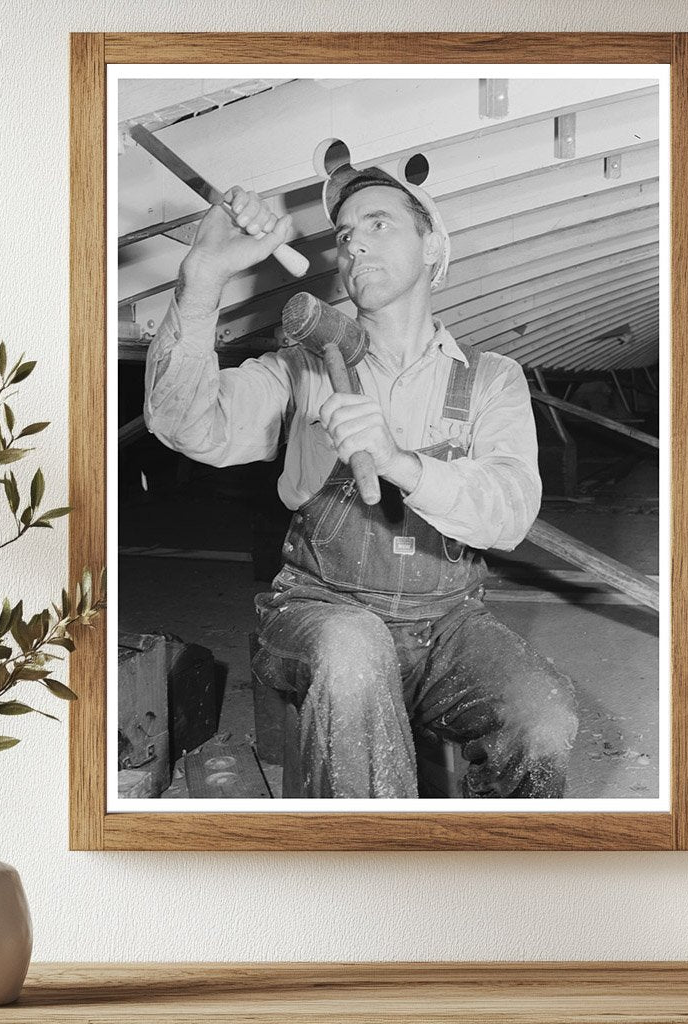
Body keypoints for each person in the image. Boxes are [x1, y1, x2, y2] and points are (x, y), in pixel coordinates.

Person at [144, 165, 578, 799]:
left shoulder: (491, 379)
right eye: (345, 236)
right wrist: (203, 275)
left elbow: (510, 512)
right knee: (354, 652)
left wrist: (398, 460)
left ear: (433, 246)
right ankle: (373, 877)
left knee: (544, 716)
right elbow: (184, 425)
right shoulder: (302, 369)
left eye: (379, 224)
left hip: (447, 624)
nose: (355, 245)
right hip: (320, 611)